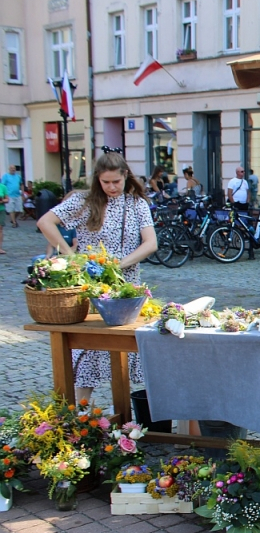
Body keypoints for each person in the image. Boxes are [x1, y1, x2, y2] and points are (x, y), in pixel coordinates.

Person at [37, 151, 158, 403]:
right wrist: (71, 256)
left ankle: (137, 420)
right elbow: (45, 222)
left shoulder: (137, 205)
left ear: (125, 176)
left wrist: (119, 265)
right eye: (106, 182)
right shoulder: (84, 201)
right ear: (97, 180)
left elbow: (150, 243)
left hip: (127, 291)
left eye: (116, 181)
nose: (111, 187)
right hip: (90, 290)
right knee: (84, 351)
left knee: (132, 353)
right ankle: (79, 417)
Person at [0, 178, 6, 254]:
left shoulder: (3, 187)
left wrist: (2, 201)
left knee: (0, 229)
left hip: (1, 209)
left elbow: (7, 199)